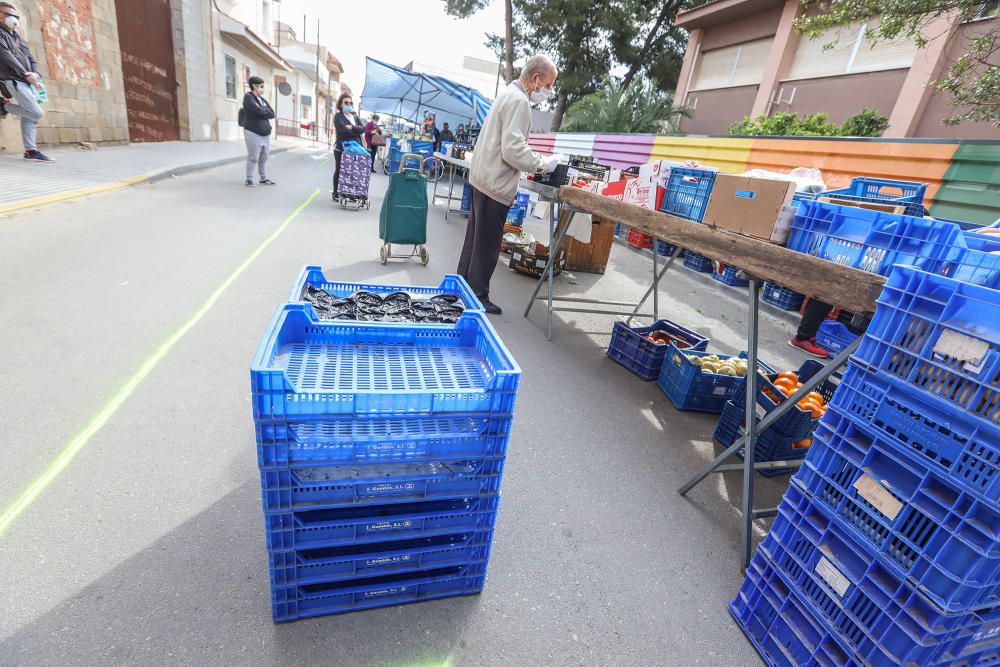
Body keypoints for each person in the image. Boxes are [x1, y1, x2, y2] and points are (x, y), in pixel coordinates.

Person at [458, 54, 560, 315]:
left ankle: (460, 289)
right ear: (536, 78)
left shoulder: (507, 94)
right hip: (495, 182)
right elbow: (514, 149)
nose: (548, 91)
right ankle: (478, 296)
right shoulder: (520, 101)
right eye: (548, 85)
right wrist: (542, 163)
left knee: (474, 240)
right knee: (487, 244)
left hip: (483, 177)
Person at [0, 2, 52, 162]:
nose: (13, 18)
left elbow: (31, 59)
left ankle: (30, 151)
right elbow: (6, 56)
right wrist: (25, 74)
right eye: (8, 15)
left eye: (15, 16)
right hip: (13, 80)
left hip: (28, 80)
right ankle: (4, 106)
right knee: (36, 112)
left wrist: (35, 74)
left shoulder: (19, 38)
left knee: (31, 116)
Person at [242, 76, 275, 186]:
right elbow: (257, 110)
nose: (262, 88)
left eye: (263, 86)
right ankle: (249, 179)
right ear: (254, 86)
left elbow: (272, 113)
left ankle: (263, 178)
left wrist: (262, 110)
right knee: (253, 157)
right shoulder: (248, 97)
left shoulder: (263, 100)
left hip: (264, 132)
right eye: (261, 86)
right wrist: (263, 111)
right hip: (252, 131)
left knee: (264, 157)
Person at [333, 93, 365, 197]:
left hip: (355, 149)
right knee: (339, 170)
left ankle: (348, 192)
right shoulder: (338, 116)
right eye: (346, 102)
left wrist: (351, 127)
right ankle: (336, 192)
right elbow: (343, 131)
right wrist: (356, 131)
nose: (348, 104)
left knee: (352, 171)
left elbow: (363, 128)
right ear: (341, 104)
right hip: (341, 148)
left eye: (350, 103)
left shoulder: (355, 116)